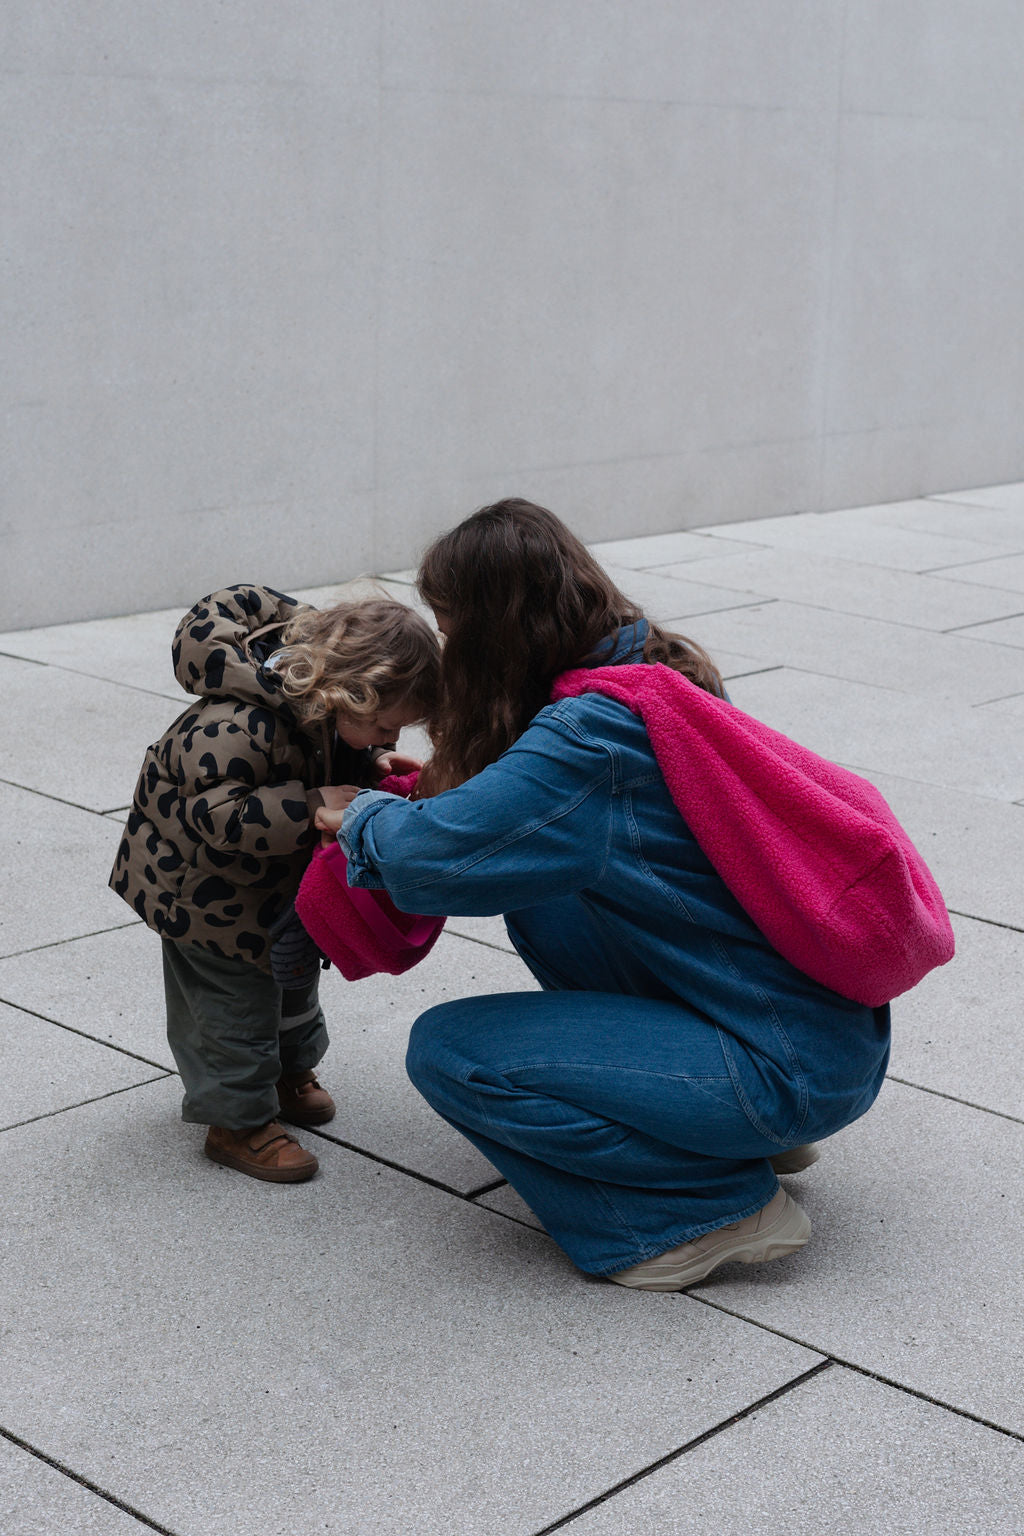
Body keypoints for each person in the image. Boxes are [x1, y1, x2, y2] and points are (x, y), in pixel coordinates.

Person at [314, 500, 892, 1288]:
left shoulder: (586, 739)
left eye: (450, 629)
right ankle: (727, 1129)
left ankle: (709, 1206)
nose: (447, 650)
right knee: (547, 893)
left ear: (493, 629)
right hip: (821, 1036)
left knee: (451, 1052)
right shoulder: (646, 671)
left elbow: (433, 859)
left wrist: (365, 816)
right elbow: (504, 831)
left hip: (780, 1069)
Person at [110, 584, 439, 1184]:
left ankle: (291, 1073)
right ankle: (236, 1122)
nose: (393, 740)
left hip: (271, 894)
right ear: (349, 693)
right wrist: (312, 802)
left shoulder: (321, 713)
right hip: (206, 902)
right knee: (230, 1010)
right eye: (387, 729)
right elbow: (215, 816)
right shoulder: (235, 723)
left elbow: (318, 758)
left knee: (291, 987)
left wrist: (367, 767)